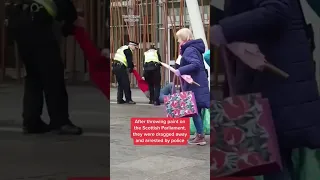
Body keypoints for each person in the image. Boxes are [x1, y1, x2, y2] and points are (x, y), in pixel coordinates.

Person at [211, 0, 320, 179]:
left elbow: (276, 10)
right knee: (275, 159)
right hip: (269, 81)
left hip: (274, 80)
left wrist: (224, 31)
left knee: (275, 159)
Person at [7, 0, 82, 134]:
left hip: (20, 24)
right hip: (39, 25)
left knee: (33, 76)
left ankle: (31, 122)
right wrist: (70, 24)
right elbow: (68, 13)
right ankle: (61, 122)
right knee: (53, 76)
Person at [174, 28, 210, 145]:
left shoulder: (189, 49)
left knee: (194, 110)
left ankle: (200, 136)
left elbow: (195, 64)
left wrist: (180, 70)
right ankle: (199, 135)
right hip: (197, 83)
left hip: (194, 84)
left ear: (183, 38)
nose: (178, 41)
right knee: (196, 109)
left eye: (179, 38)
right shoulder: (194, 48)